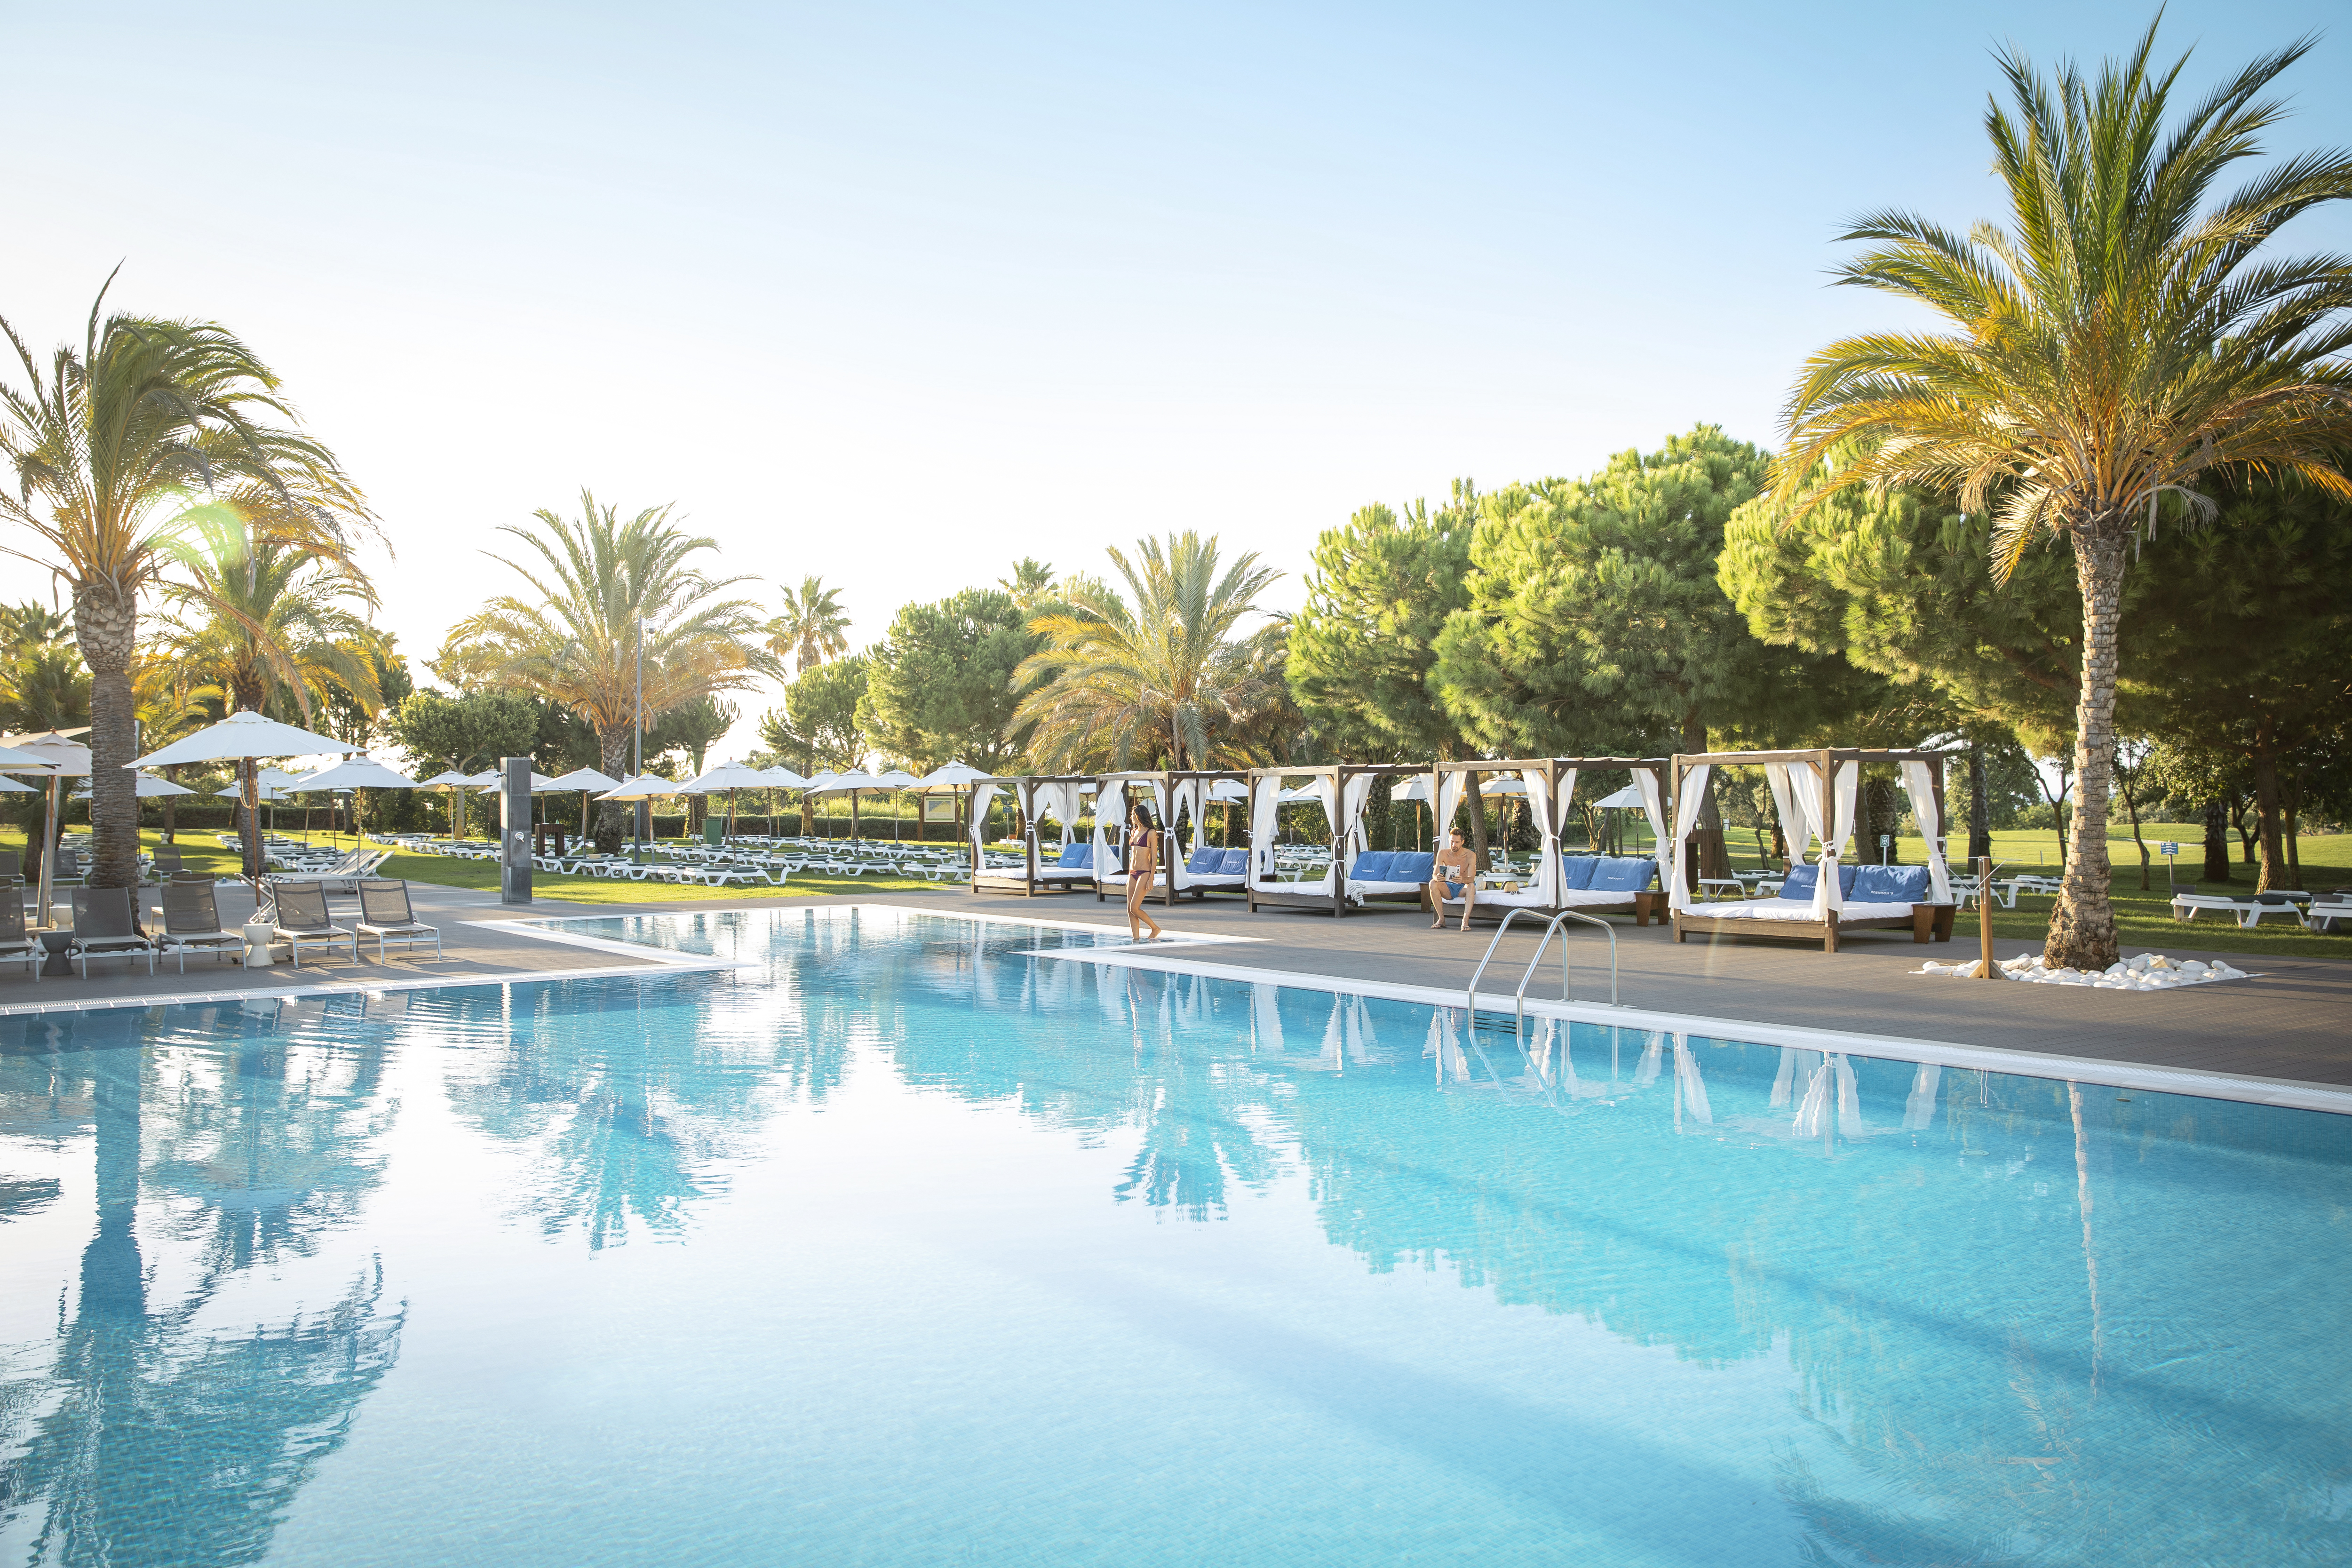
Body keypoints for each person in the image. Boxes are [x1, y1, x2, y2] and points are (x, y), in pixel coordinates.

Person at [1125, 801, 1166, 941]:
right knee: (1129, 910)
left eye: (1133, 815)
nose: (1131, 817)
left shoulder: (1151, 833)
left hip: (1145, 872)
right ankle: (1136, 940)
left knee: (1134, 908)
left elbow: (1154, 857)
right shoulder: (1133, 831)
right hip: (1132, 873)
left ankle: (1155, 928)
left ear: (1139, 816)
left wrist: (1151, 878)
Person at [1428, 827, 1478, 931]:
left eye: (1457, 842)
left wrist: (1463, 880)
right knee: (1432, 883)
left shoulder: (1470, 855)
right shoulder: (1443, 853)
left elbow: (1472, 878)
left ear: (1462, 842)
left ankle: (1465, 921)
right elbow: (1434, 875)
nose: (1453, 845)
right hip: (1448, 887)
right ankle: (1441, 919)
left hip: (1462, 888)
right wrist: (1437, 877)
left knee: (1471, 886)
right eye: (1452, 842)